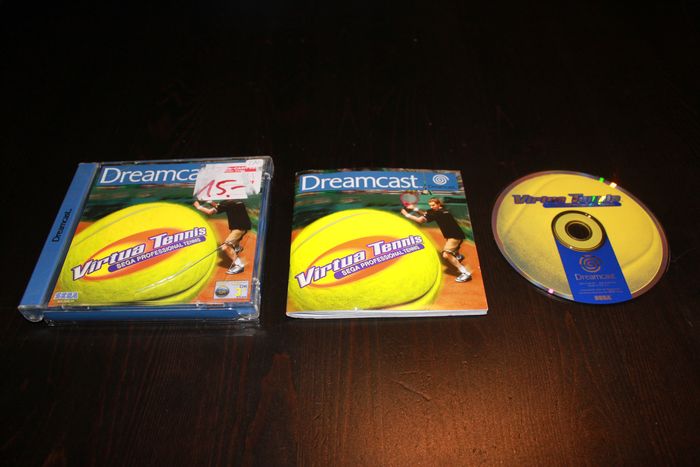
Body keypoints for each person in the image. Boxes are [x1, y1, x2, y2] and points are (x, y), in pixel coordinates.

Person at [401, 198, 472, 282]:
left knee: (446, 254)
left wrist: (406, 215)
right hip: (452, 234)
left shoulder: (440, 213)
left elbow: (421, 220)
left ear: (439, 204)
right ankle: (458, 256)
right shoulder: (439, 210)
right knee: (452, 247)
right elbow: (426, 214)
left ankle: (465, 273)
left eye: (433, 205)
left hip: (454, 236)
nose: (432, 207)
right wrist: (415, 209)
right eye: (430, 205)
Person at [194, 199, 251, 274]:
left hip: (239, 229)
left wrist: (198, 207)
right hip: (243, 226)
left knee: (225, 246)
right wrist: (210, 202)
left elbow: (210, 212)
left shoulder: (227, 204)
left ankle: (239, 265)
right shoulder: (238, 200)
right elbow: (219, 206)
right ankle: (237, 247)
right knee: (235, 238)